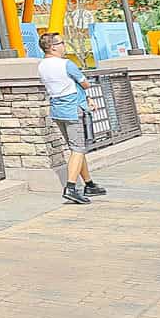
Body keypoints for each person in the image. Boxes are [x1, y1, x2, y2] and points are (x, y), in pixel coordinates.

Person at [36, 32, 106, 205]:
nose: (64, 45)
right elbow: (85, 83)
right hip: (73, 110)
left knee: (76, 148)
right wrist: (87, 95)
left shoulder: (42, 66)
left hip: (58, 110)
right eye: (61, 43)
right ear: (52, 47)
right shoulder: (67, 64)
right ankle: (71, 188)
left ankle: (89, 184)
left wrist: (86, 97)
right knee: (78, 149)